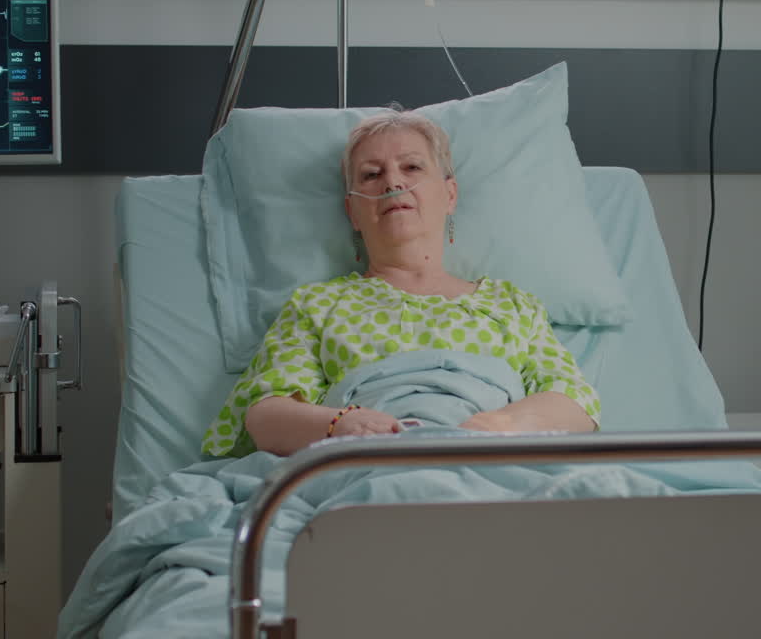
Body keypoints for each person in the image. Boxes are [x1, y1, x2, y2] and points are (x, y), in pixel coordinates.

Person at [202, 109, 600, 457]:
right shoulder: (318, 305)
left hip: (490, 463)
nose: (392, 182)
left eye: (411, 167)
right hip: (363, 468)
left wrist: (499, 428)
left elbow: (575, 404)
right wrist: (338, 425)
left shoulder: (512, 305)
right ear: (352, 212)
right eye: (371, 175)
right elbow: (264, 415)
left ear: (450, 194)